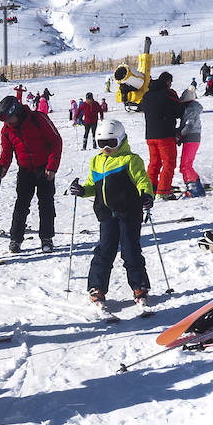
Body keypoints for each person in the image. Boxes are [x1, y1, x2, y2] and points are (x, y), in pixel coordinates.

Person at [67, 118, 153, 310]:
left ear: (121, 140)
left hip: (129, 212)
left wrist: (147, 195)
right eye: (101, 144)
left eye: (111, 143)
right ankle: (96, 287)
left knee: (130, 250)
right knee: (104, 250)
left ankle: (139, 286)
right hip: (106, 214)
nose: (106, 148)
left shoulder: (131, 160)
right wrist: (82, 190)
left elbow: (143, 180)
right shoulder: (96, 161)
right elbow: (92, 186)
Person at [0, 95, 62, 253]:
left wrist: (52, 166)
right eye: (5, 121)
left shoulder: (38, 119)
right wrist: (0, 171)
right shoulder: (7, 131)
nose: (7, 123)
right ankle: (15, 239)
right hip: (25, 171)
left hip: (45, 169)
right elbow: (6, 155)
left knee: (46, 204)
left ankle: (47, 238)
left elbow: (56, 141)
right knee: (21, 205)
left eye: (9, 119)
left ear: (16, 111)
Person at [137, 72, 182, 200]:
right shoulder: (168, 93)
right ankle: (163, 191)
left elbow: (142, 107)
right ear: (167, 82)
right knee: (169, 162)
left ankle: (151, 188)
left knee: (154, 162)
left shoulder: (147, 95)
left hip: (150, 135)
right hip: (165, 134)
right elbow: (180, 111)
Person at [176, 87, 206, 197]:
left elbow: (189, 125)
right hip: (192, 138)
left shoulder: (190, 109)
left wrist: (180, 134)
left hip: (191, 137)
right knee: (184, 165)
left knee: (185, 165)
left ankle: (196, 186)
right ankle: (190, 184)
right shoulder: (192, 107)